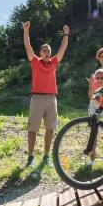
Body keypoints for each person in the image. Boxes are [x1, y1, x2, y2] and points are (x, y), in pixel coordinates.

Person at [23, 21, 69, 167]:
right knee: (33, 129)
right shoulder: (35, 61)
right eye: (43, 50)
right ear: (40, 52)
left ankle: (46, 157)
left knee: (50, 129)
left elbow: (63, 49)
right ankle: (30, 157)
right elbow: (28, 46)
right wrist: (26, 31)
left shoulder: (54, 62)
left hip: (51, 99)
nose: (46, 53)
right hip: (37, 98)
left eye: (48, 50)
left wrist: (66, 34)